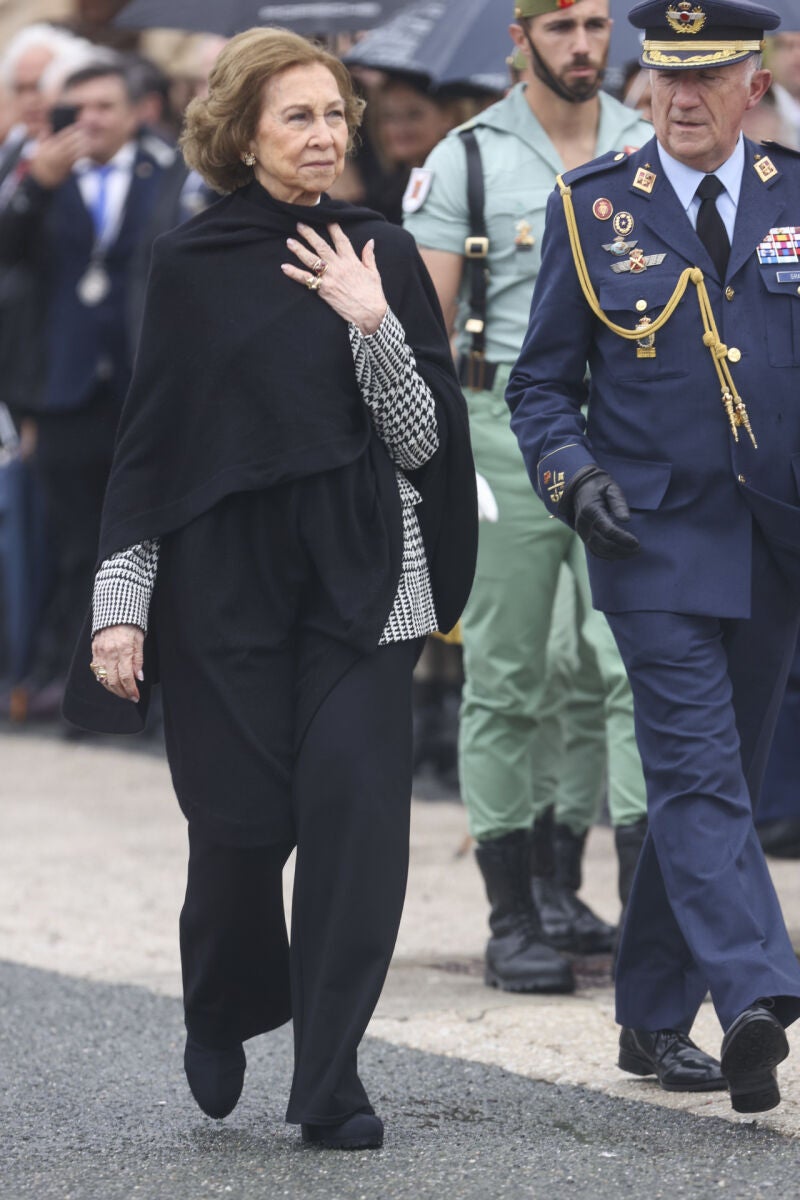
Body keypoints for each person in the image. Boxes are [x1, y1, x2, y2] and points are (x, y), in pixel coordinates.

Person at [63, 28, 476, 1150]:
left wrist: (372, 321)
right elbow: (151, 451)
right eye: (298, 115)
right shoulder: (190, 265)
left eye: (336, 114)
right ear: (243, 132)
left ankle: (332, 1078)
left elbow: (423, 440)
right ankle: (223, 1005)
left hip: (364, 588)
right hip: (224, 598)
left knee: (354, 831)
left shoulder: (378, 251)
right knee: (238, 833)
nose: (326, 134)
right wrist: (120, 602)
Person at [507, 0, 800, 1114]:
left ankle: (645, 1015)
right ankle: (758, 995)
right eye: (662, 76)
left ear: (750, 79)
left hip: (772, 538)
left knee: (718, 773)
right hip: (650, 534)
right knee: (694, 771)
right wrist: (571, 477)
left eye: (705, 75)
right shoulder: (592, 210)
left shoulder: (789, 196)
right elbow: (538, 383)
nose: (678, 96)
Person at [404, 0, 652, 994]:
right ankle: (513, 915)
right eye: (560, 28)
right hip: (500, 433)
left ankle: (635, 908)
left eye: (596, 25)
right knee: (507, 675)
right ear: (520, 40)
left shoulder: (645, 143)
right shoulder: (467, 158)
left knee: (621, 668)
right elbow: (424, 331)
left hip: (623, 434)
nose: (584, 46)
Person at [0, 57, 177, 719]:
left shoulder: (170, 174)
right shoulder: (39, 173)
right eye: (80, 108)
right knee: (77, 544)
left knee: (143, 539)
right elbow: (8, 255)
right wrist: (34, 188)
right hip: (65, 388)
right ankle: (86, 694)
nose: (93, 120)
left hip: (140, 384)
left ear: (137, 111)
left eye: (106, 105)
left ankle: (153, 691)